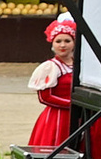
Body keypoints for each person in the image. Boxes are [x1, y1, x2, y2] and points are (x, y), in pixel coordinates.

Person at [28, 16, 77, 150]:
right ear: (52, 43)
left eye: (67, 41)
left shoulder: (79, 66)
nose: (62, 45)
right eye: (58, 41)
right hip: (56, 119)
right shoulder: (50, 67)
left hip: (77, 117)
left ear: (74, 43)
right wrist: (72, 104)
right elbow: (45, 97)